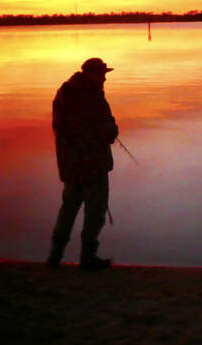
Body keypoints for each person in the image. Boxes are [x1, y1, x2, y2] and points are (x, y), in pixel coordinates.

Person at [47, 58, 119, 270]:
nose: (105, 78)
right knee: (95, 214)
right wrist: (112, 130)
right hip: (92, 165)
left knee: (68, 210)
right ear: (91, 74)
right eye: (102, 74)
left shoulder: (64, 93)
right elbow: (106, 131)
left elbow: (59, 128)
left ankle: (55, 257)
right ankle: (88, 258)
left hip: (70, 165)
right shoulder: (92, 97)